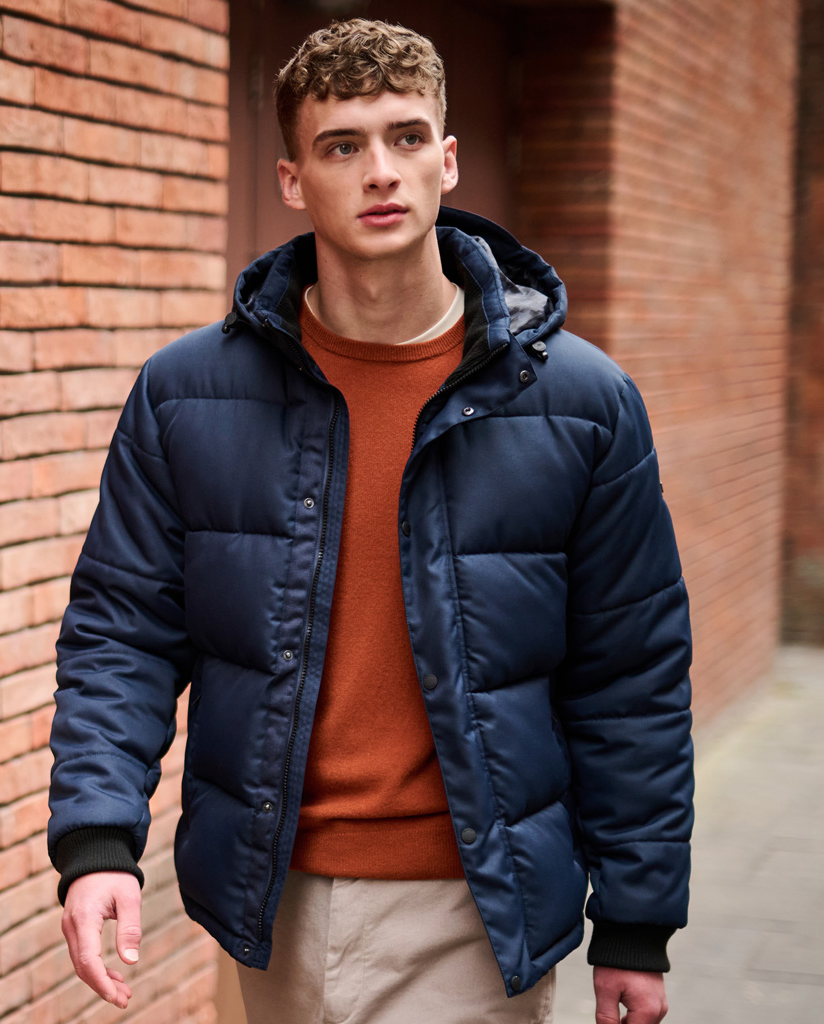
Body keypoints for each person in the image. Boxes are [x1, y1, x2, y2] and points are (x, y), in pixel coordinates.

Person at [48, 18, 693, 1024]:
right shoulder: (185, 393)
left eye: (405, 137)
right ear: (292, 179)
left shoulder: (580, 401)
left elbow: (631, 674)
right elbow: (120, 631)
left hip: (471, 912)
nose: (380, 171)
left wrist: (635, 924)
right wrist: (97, 841)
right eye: (342, 145)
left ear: (448, 160)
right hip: (263, 900)